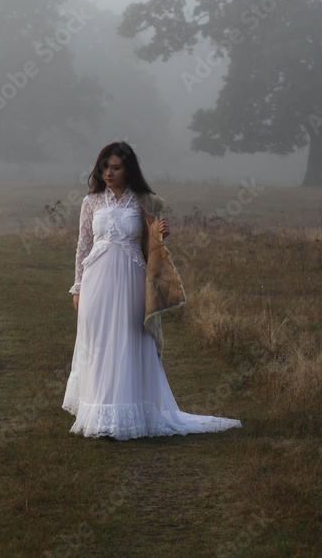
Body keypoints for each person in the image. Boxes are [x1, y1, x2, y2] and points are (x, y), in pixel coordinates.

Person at [63, 142, 242, 440]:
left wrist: (162, 236)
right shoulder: (91, 201)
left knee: (129, 340)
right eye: (104, 166)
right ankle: (101, 414)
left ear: (128, 170)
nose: (108, 172)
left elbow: (155, 250)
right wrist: (78, 287)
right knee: (99, 343)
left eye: (116, 167)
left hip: (132, 280)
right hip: (96, 282)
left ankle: (130, 413)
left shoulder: (145, 202)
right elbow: (82, 247)